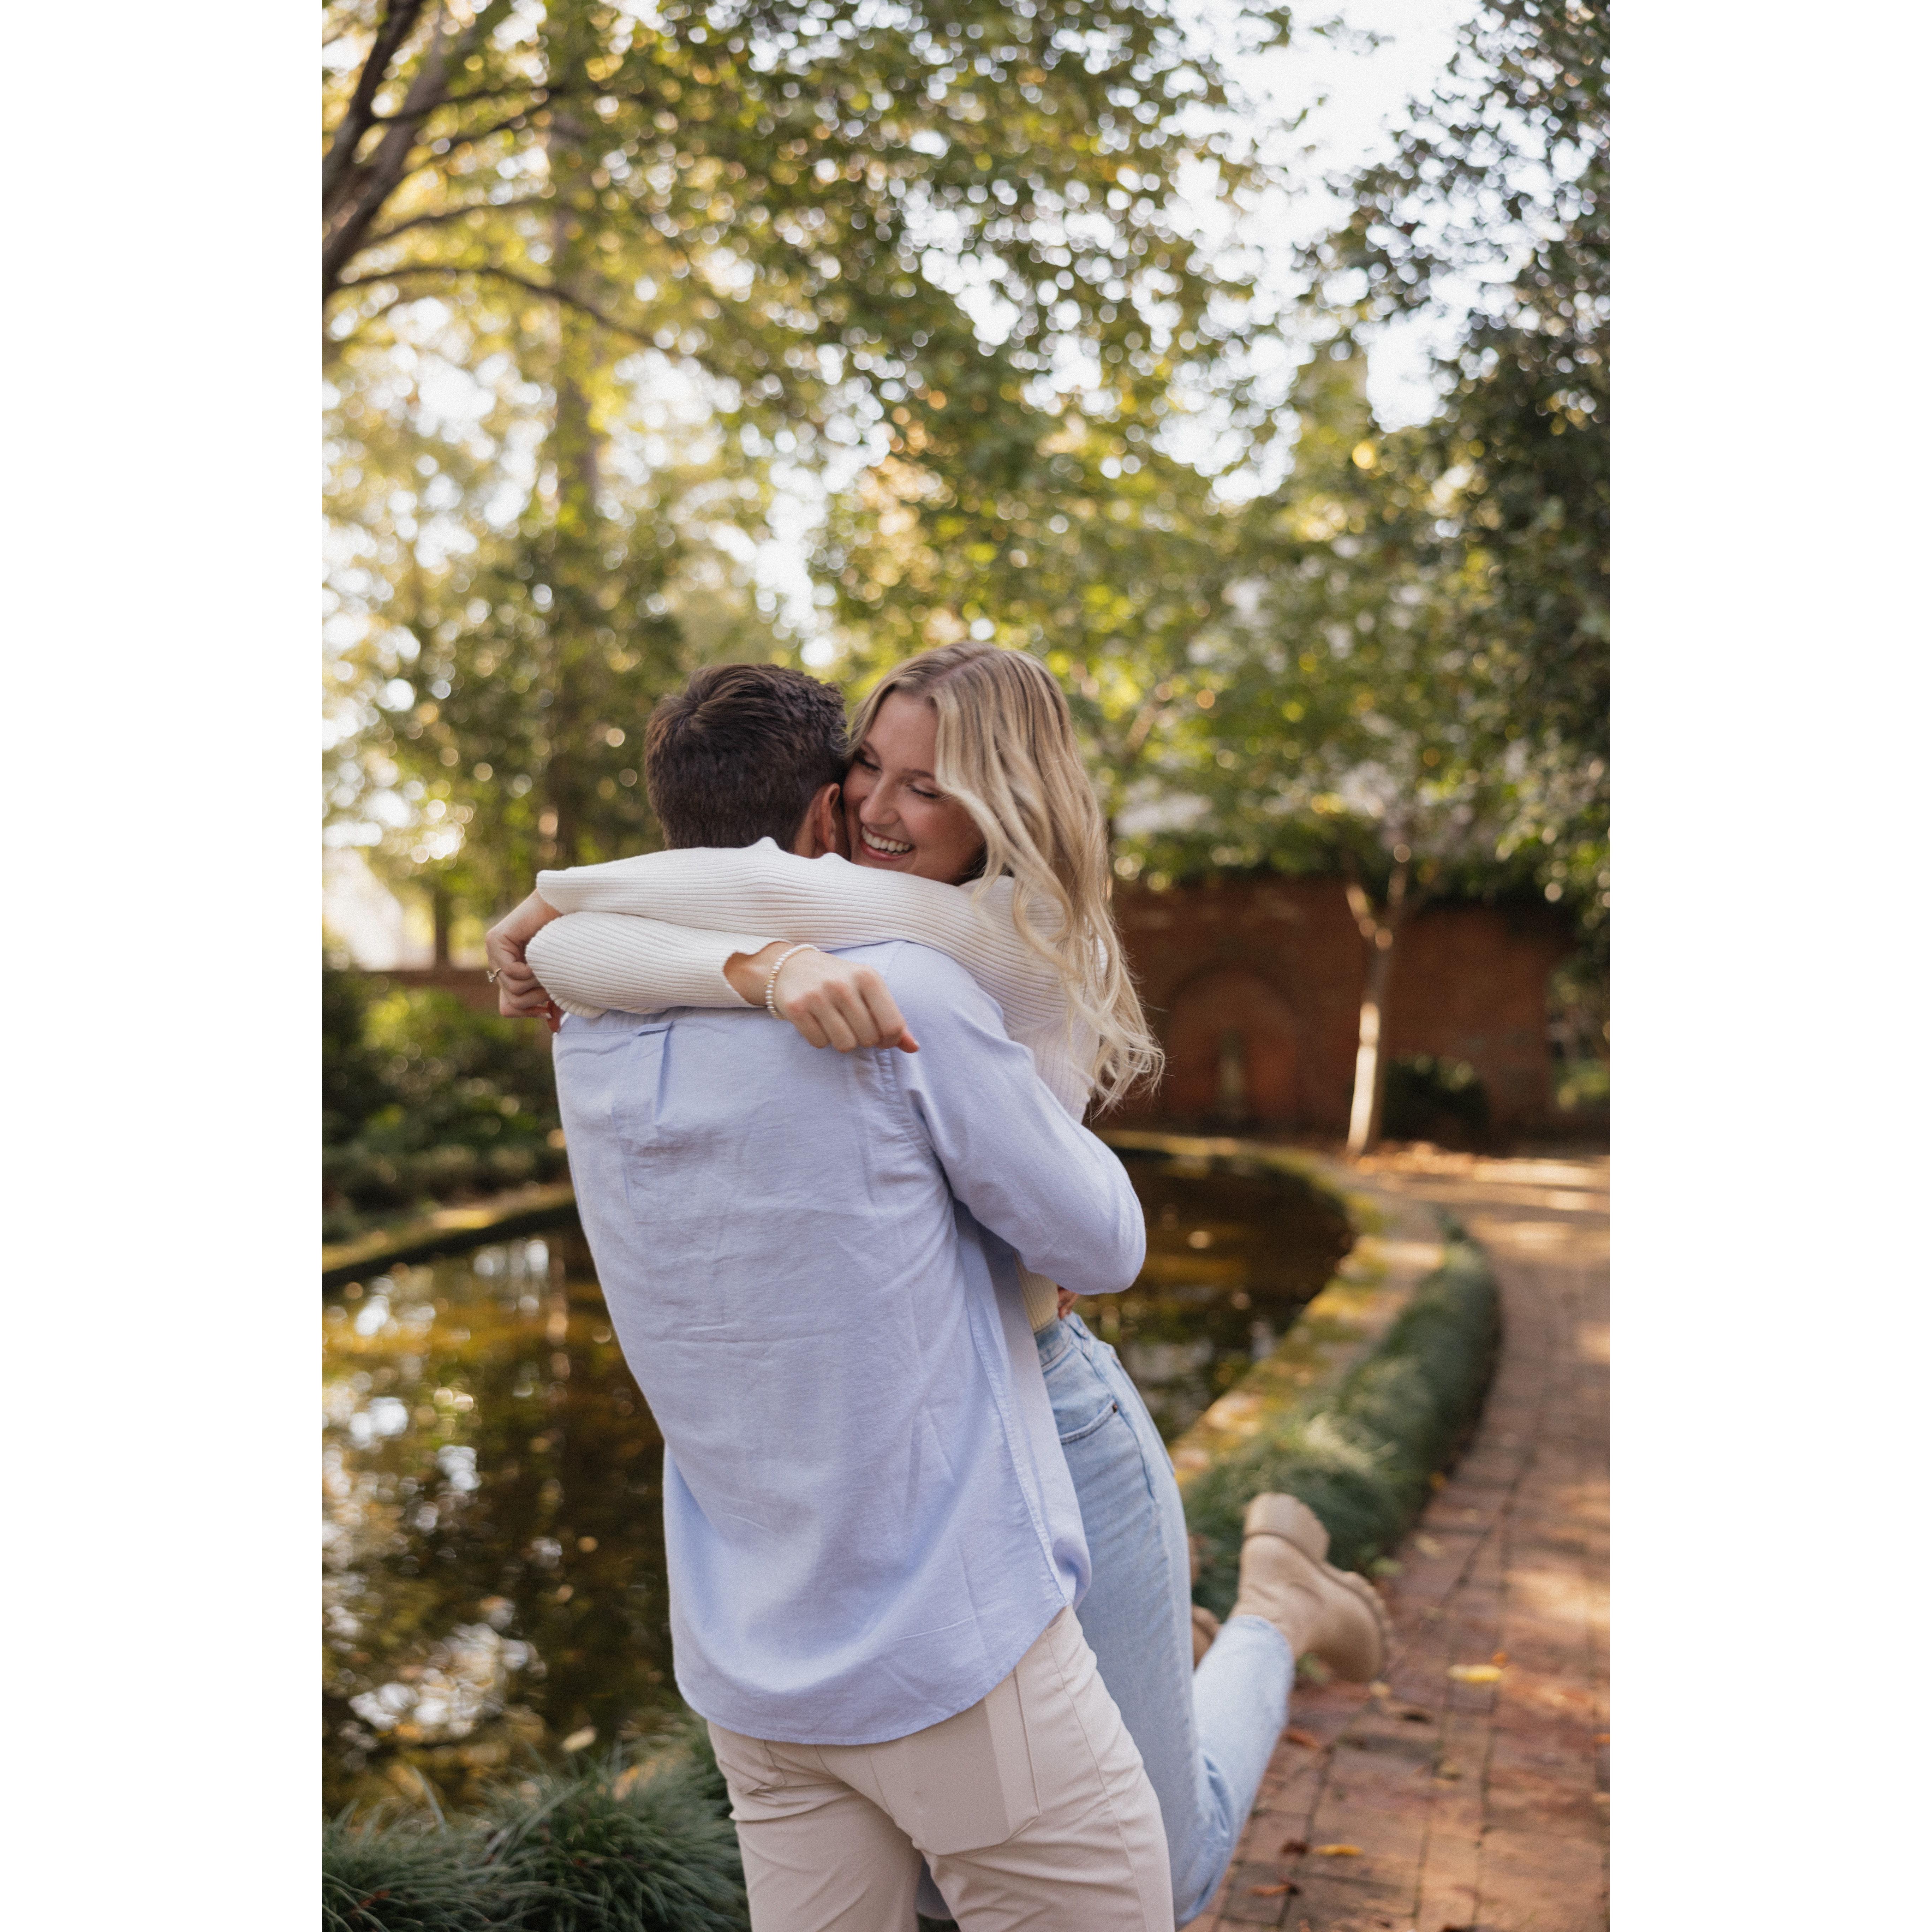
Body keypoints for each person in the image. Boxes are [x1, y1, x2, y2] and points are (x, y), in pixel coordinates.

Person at [491, 648, 1389, 1928]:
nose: (878, 808)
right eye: (869, 768)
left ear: (1007, 806)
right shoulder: (807, 931)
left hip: (1055, 1423)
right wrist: (717, 960)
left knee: (1168, 1870)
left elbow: (1097, 1242)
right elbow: (680, 914)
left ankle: (1276, 1616)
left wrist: (564, 925)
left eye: (929, 786)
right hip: (912, 1467)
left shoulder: (998, 947)